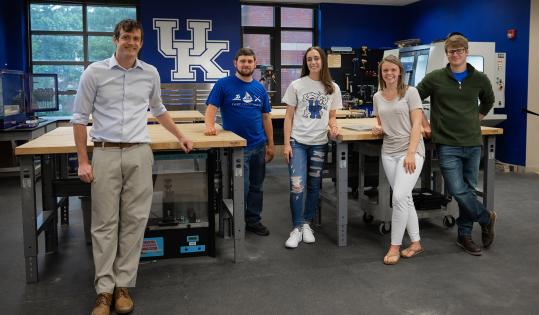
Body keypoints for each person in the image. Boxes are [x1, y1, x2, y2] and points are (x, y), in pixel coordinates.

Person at [71, 19, 194, 315]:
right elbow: (78, 117)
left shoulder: (149, 73)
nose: (131, 42)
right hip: (105, 153)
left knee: (135, 221)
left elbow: (159, 109)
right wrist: (83, 160)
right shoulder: (94, 72)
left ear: (141, 42)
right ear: (116, 39)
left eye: (136, 38)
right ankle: (104, 290)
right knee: (104, 223)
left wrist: (180, 135)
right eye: (126, 37)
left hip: (139, 153)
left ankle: (123, 285)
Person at [416, 34, 497, 256]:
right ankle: (485, 216)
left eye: (460, 50)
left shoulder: (479, 79)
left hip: (472, 142)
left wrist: (476, 118)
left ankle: (465, 235)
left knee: (468, 190)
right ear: (447, 54)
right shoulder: (435, 78)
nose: (456, 54)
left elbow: (489, 100)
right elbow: (414, 98)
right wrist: (424, 123)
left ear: (466, 52)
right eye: (452, 51)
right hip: (446, 143)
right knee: (457, 189)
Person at [205, 47, 274, 236]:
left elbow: (266, 117)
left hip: (258, 145)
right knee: (240, 189)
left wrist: (271, 144)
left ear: (254, 64)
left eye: (249, 61)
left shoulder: (259, 88)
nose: (246, 64)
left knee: (256, 187)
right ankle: (237, 222)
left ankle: (253, 220)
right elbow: (211, 109)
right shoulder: (224, 84)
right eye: (242, 61)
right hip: (237, 148)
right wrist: (209, 125)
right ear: (235, 63)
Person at [282, 46, 342, 248]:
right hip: (298, 142)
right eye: (309, 59)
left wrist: (333, 127)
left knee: (315, 185)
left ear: (323, 61)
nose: (313, 62)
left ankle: (307, 223)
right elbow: (288, 116)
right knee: (297, 185)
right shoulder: (297, 85)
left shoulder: (332, 87)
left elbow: (332, 116)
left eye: (316, 58)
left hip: (319, 143)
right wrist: (286, 144)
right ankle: (296, 227)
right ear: (305, 63)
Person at [372, 55, 426, 265]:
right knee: (405, 198)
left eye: (393, 70)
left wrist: (411, 153)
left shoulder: (411, 92)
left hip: (410, 150)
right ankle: (416, 243)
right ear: (381, 74)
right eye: (385, 70)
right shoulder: (377, 96)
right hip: (389, 152)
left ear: (400, 72)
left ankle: (394, 246)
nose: (389, 74)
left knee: (399, 196)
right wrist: (379, 127)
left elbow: (416, 125)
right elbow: (382, 120)